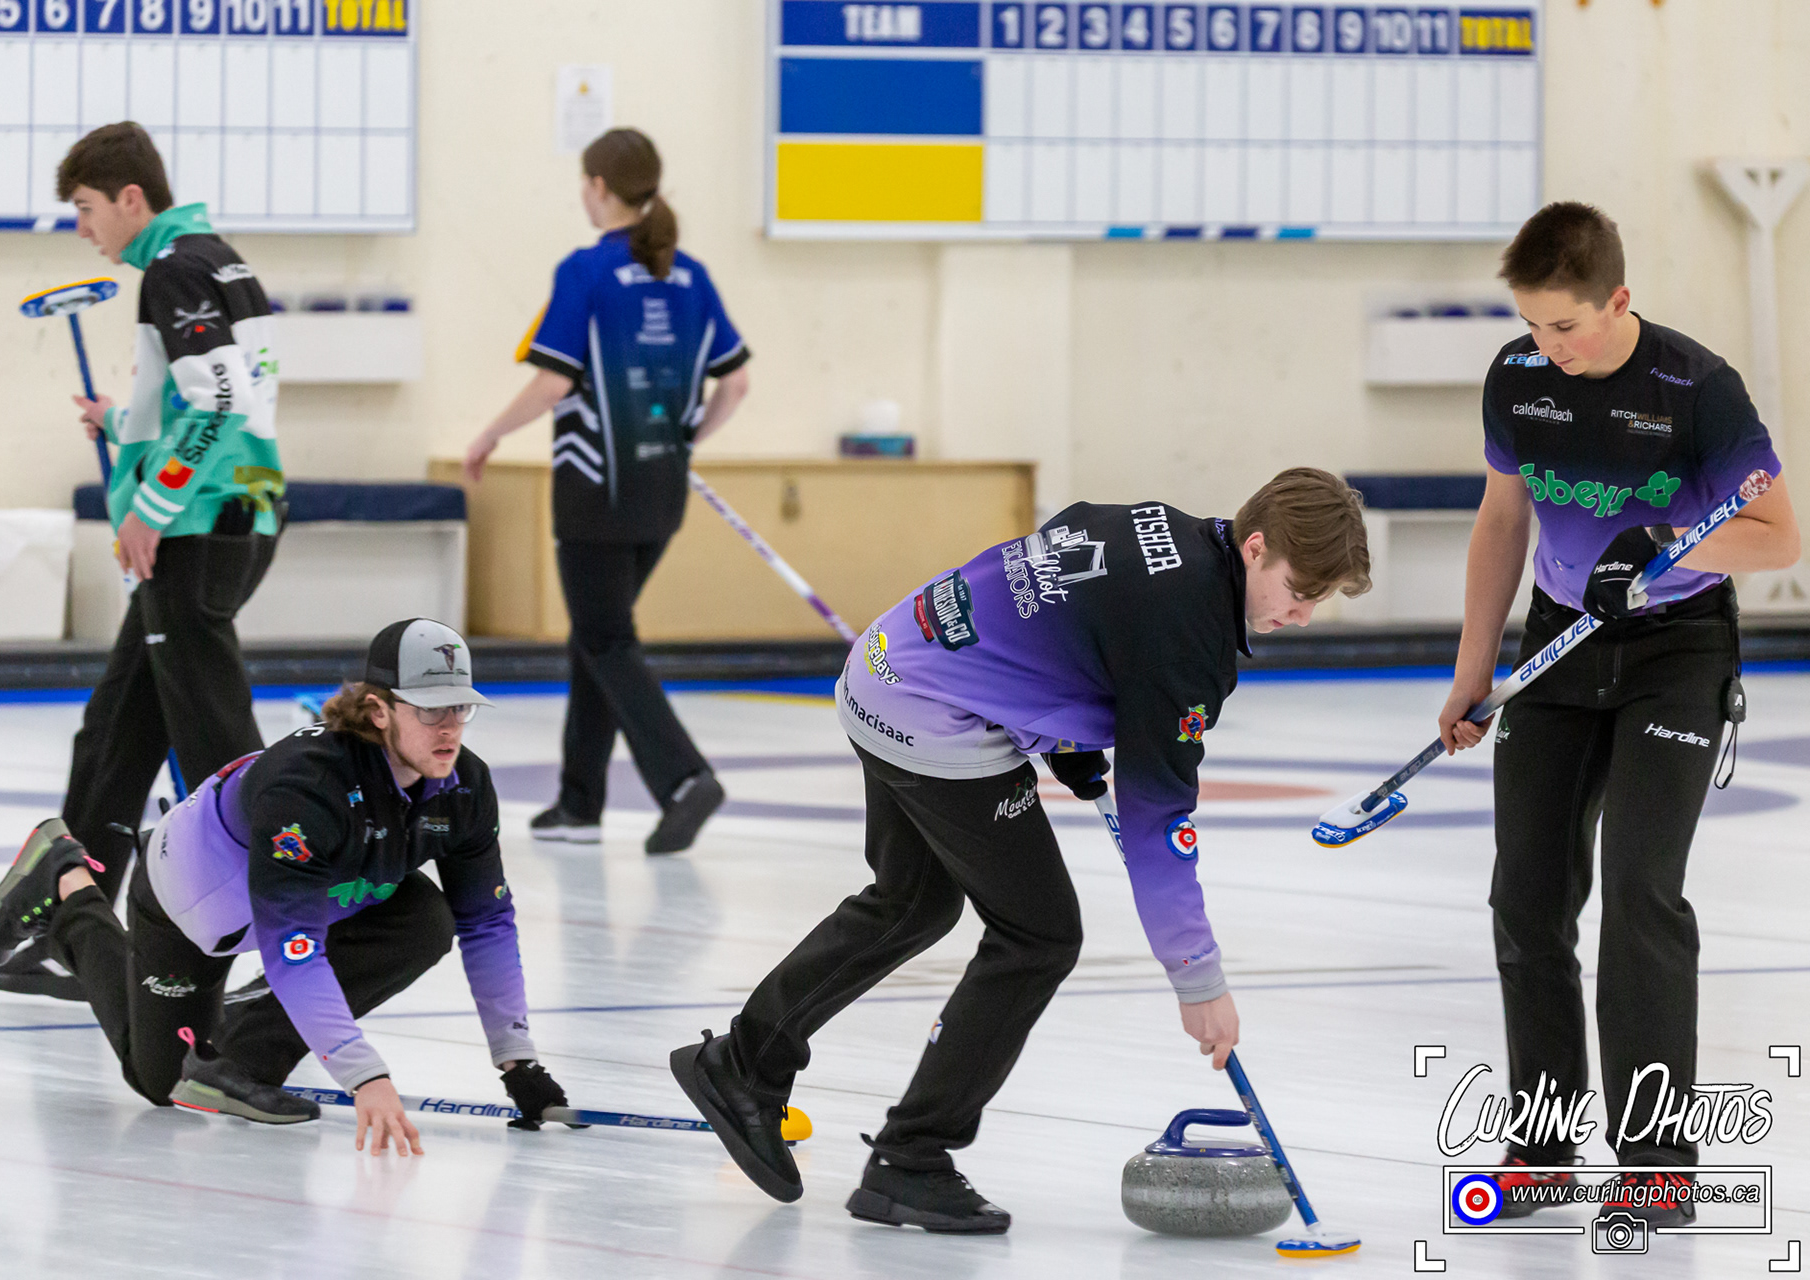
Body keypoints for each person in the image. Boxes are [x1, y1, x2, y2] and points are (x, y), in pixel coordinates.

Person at [671, 470, 1372, 1232]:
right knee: (1038, 935)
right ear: (1256, 547)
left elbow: (1066, 591)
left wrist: (1070, 736)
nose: (1302, 616)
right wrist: (1197, 977)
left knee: (911, 902)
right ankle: (911, 1158)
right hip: (936, 714)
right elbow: (1157, 820)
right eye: (1297, 591)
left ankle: (743, 1063)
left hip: (884, 668)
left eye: (1318, 602)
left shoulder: (1161, 526)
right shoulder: (1190, 631)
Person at [1438, 203, 1799, 1225]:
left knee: (1642, 892)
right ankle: (1544, 1145)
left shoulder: (1697, 389)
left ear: (1618, 300)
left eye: (1564, 325)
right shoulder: (1517, 377)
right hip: (1560, 640)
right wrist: (1473, 670)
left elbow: (1778, 536)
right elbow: (1503, 517)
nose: (1546, 346)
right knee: (1527, 898)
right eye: (1531, 324)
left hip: (1675, 652)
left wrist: (1665, 544)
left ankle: (1657, 1163)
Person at [0, 618, 571, 1151]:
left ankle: (241, 1053)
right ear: (379, 710)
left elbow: (487, 922)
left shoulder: (464, 786)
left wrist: (516, 1059)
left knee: (425, 919)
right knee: (163, 1082)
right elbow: (294, 947)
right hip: (190, 905)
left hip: (321, 896)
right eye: (430, 710)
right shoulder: (307, 788)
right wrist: (364, 1075)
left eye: (460, 708)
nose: (450, 729)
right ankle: (69, 884)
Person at [0, 122, 286, 998]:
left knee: (217, 746)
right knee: (116, 730)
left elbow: (219, 400)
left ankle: (293, 941)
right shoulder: (216, 257)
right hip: (232, 509)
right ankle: (71, 928)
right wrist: (124, 422)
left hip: (200, 527)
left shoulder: (173, 270)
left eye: (85, 208)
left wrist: (151, 508)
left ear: (130, 198)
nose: (82, 228)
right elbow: (223, 392)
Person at [463, 127, 749, 857]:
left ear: (597, 186)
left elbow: (554, 381)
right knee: (596, 634)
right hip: (662, 490)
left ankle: (685, 779)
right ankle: (579, 803)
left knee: (605, 636)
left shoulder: (586, 271)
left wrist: (490, 433)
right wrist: (688, 438)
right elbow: (737, 382)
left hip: (596, 489)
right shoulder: (691, 275)